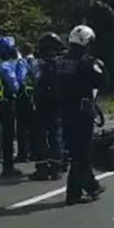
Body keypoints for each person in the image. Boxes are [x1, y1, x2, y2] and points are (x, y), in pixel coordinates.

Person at [54, 25, 107, 204]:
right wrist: (100, 66)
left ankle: (82, 189)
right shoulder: (87, 62)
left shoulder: (60, 61)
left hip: (65, 110)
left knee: (76, 151)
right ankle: (78, 191)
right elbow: (100, 81)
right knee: (82, 151)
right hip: (82, 109)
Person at [0, 36, 29, 176]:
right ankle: (8, 167)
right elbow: (15, 86)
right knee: (7, 136)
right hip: (6, 103)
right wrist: (20, 65)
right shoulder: (5, 66)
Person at [30, 33, 67, 180]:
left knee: (39, 136)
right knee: (56, 135)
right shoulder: (61, 63)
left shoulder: (38, 63)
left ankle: (42, 168)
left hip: (40, 103)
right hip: (57, 103)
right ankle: (57, 167)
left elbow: (33, 80)